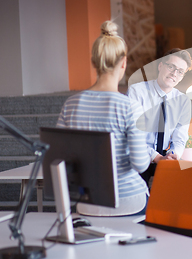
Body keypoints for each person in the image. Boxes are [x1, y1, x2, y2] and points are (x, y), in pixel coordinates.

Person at [57, 21, 150, 216]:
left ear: (94, 62)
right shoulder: (129, 106)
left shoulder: (70, 105)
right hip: (129, 202)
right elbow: (140, 164)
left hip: (87, 203)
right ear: (123, 63)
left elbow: (60, 159)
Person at [127, 48, 192, 186]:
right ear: (160, 65)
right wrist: (156, 157)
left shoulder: (183, 100)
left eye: (180, 71)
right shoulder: (137, 92)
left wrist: (173, 155)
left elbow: (180, 138)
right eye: (171, 67)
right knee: (141, 202)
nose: (174, 73)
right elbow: (132, 136)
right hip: (138, 156)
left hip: (165, 159)